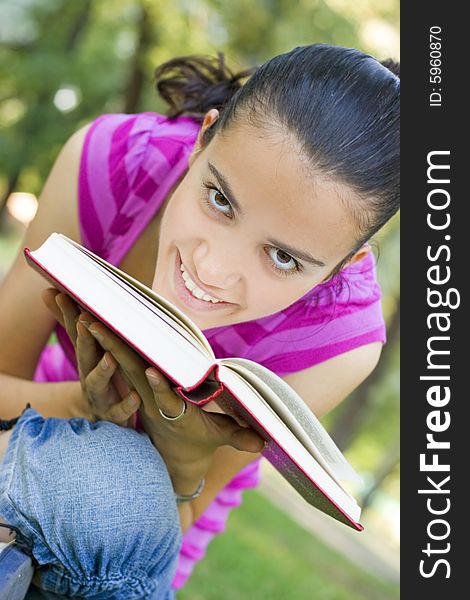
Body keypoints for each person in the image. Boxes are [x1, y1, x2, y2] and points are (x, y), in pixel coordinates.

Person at [0, 43, 399, 598]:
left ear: (345, 264)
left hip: (136, 541)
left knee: (118, 488)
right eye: (219, 199)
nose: (211, 269)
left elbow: (172, 520)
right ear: (204, 138)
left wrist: (186, 456)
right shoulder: (114, 162)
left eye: (282, 257)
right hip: (21, 428)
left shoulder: (340, 340)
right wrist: (81, 406)